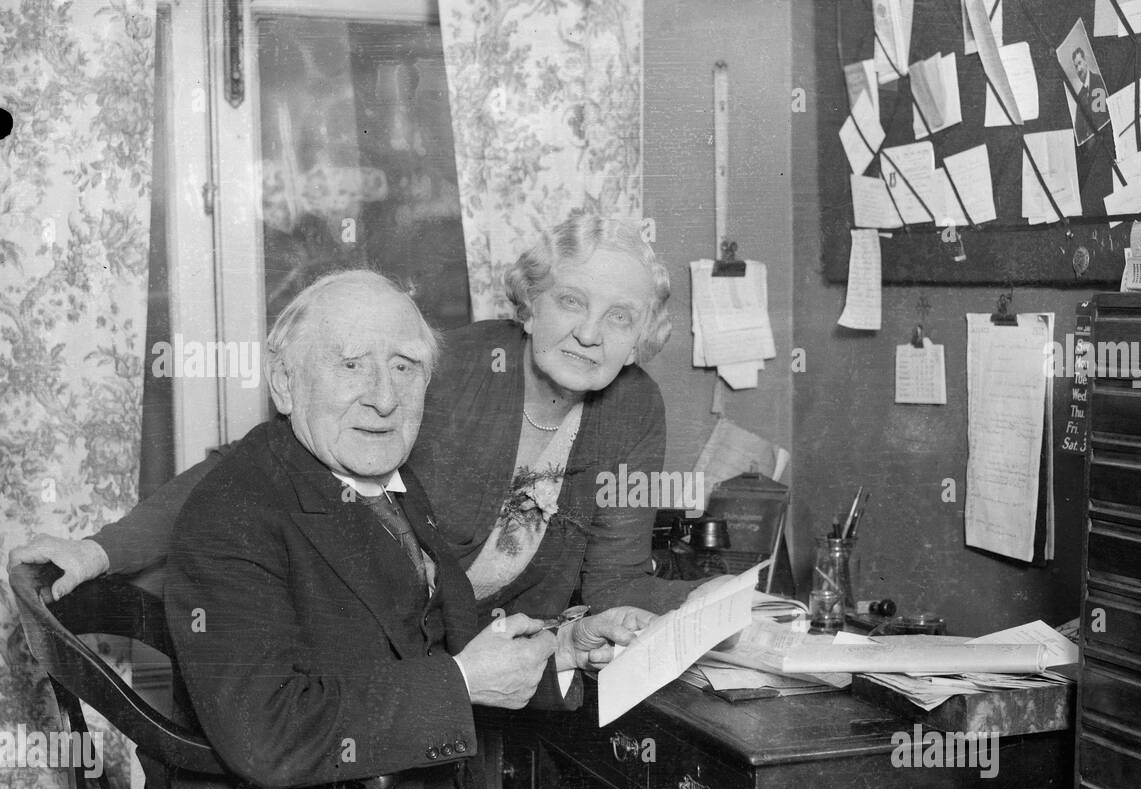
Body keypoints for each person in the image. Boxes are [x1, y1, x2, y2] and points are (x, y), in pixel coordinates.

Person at [115, 270, 648, 789]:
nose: (384, 394)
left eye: (405, 366)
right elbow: (267, 732)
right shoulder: (235, 512)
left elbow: (449, 636)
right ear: (282, 381)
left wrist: (561, 650)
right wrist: (462, 680)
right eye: (350, 364)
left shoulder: (383, 481)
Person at [11, 211, 705, 622]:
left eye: (620, 319)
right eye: (572, 303)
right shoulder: (448, 363)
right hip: (383, 647)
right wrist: (99, 549)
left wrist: (731, 611)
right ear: (532, 302)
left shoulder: (634, 406)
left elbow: (616, 582)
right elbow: (256, 469)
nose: (590, 335)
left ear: (643, 338)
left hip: (513, 674)